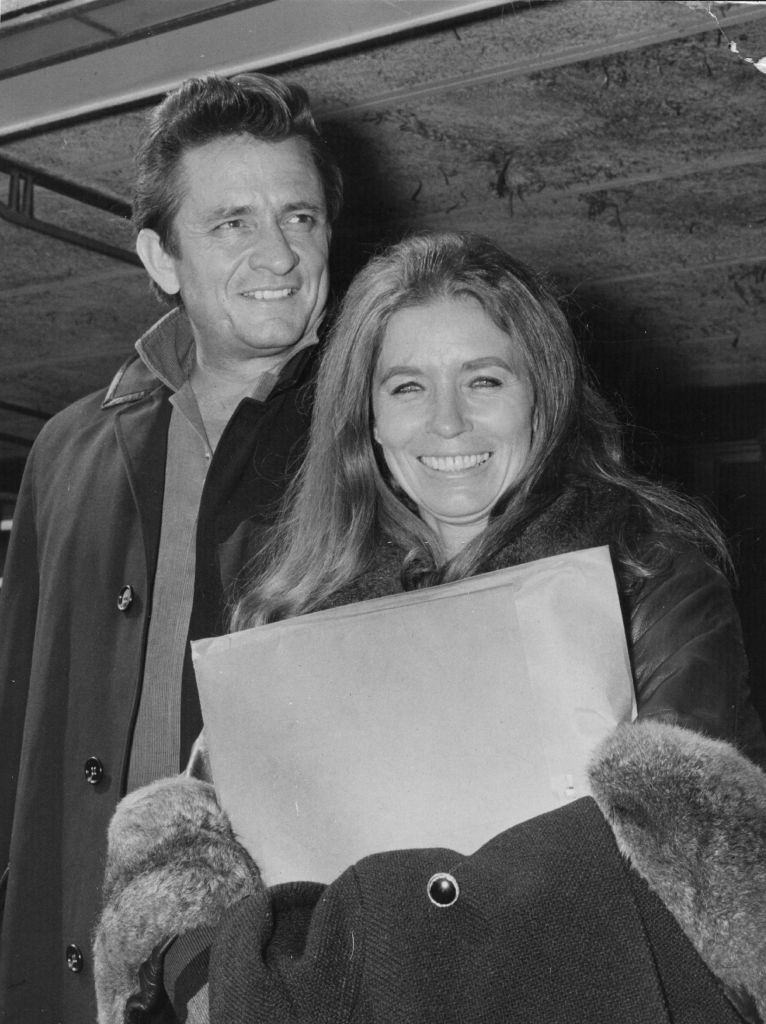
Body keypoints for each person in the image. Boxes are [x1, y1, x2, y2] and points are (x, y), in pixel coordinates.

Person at [92, 232, 766, 1021]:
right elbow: (197, 880)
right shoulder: (293, 612)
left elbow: (698, 873)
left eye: (484, 380)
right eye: (406, 388)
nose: (446, 423)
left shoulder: (649, 574)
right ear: (368, 421)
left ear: (541, 396)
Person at [0, 70, 342, 1023]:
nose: (278, 251)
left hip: (261, 962)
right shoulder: (68, 447)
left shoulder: (370, 437)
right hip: (69, 951)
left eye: (301, 217)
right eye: (232, 222)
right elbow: (17, 716)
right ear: (160, 257)